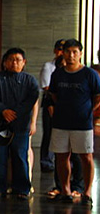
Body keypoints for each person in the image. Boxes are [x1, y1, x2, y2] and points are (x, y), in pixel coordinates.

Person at [49, 39, 100, 206]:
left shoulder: (90, 74)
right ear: (62, 53)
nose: (71, 55)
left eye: (75, 52)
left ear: (80, 54)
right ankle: (65, 190)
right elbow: (54, 95)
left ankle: (86, 191)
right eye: (68, 51)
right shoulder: (57, 74)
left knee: (86, 157)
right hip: (61, 122)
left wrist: (87, 110)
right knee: (62, 156)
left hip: (83, 123)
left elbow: (97, 97)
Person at [0, 47, 39, 200]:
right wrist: (3, 111)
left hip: (21, 125)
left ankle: (22, 188)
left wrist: (15, 113)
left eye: (18, 60)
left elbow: (32, 98)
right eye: (11, 60)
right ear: (5, 62)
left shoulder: (30, 81)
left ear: (24, 63)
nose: (14, 63)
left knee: (20, 156)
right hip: (0, 124)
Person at [39, 39, 64, 173]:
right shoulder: (49, 66)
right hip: (51, 102)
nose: (61, 52)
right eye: (59, 49)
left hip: (66, 104)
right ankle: (46, 161)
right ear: (55, 50)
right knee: (49, 133)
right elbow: (46, 87)